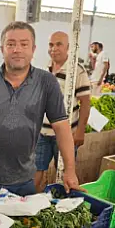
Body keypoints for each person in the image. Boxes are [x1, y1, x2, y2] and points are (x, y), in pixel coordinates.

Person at [0, 21, 80, 198]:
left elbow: (62, 127)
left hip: (23, 180)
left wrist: (69, 170)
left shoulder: (46, 82)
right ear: (3, 49)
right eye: (11, 44)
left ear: (33, 49)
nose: (17, 49)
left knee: (21, 225)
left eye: (24, 44)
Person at [34, 31, 92, 192]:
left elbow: (85, 103)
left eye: (59, 44)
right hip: (42, 133)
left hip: (66, 134)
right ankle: (28, 203)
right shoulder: (44, 70)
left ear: (68, 47)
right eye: (51, 44)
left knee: (65, 172)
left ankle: (61, 207)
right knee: (36, 169)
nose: (54, 48)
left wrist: (80, 131)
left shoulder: (77, 71)